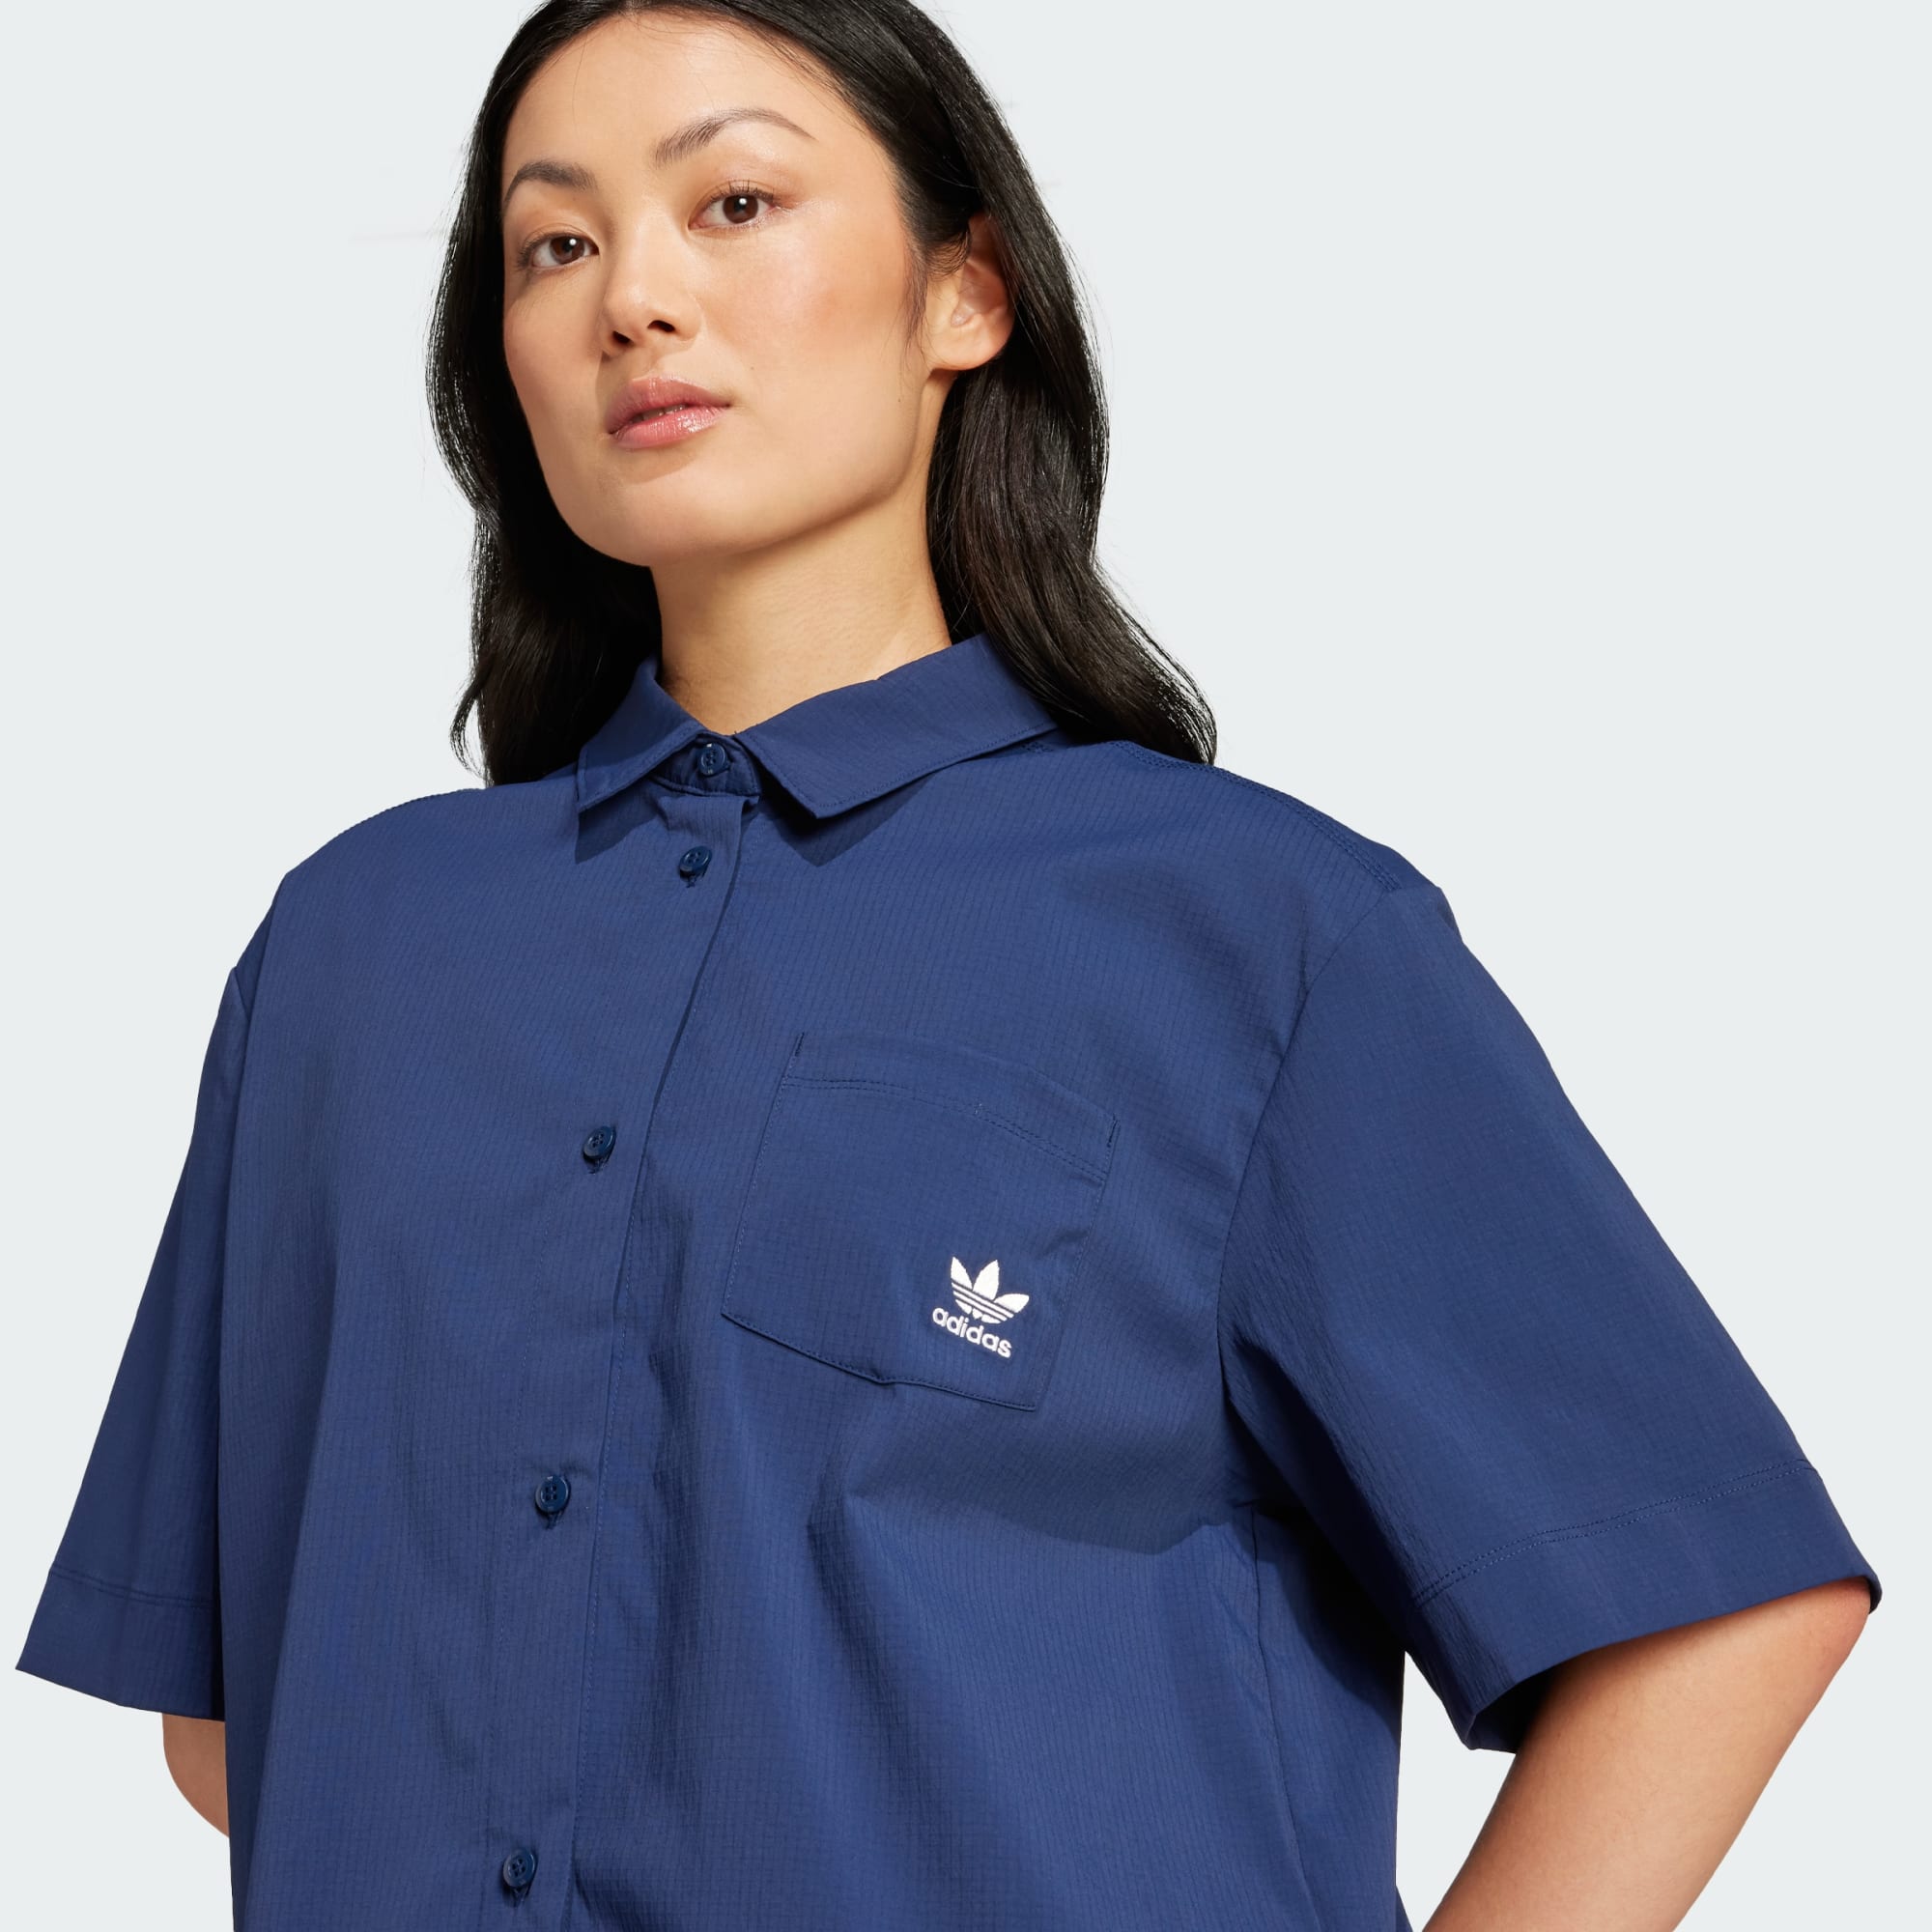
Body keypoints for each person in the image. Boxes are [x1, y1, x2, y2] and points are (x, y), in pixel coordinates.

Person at [15, 3, 1882, 1928]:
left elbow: (1708, 1612)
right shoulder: (353, 950)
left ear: (965, 294)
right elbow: (236, 1712)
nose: (632, 298)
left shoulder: (1253, 935)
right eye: (553, 243)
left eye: (734, 203)